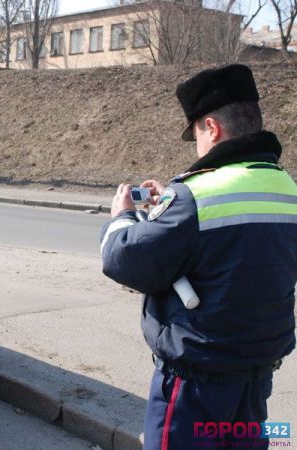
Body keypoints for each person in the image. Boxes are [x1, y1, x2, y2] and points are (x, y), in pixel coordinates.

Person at [100, 64, 297, 450]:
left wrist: (124, 215)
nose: (198, 147)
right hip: (256, 377)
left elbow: (123, 259)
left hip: (196, 386)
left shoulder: (195, 196)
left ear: (212, 127)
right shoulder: (287, 188)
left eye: (195, 137)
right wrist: (171, 201)